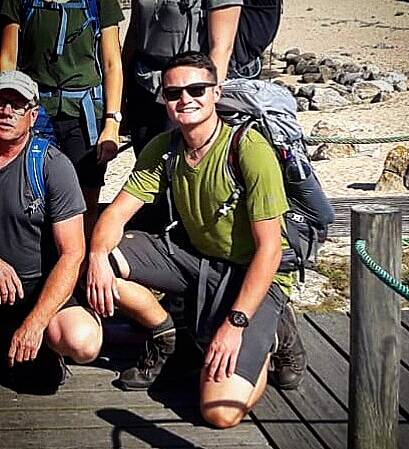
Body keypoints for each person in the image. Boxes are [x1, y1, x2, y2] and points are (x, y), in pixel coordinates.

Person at [87, 52, 305, 428]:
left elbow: (270, 250)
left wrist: (235, 325)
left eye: (197, 89)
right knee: (96, 260)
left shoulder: (248, 150)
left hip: (255, 275)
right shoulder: (165, 148)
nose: (185, 99)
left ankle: (273, 335)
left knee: (220, 412)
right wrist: (95, 256)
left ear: (216, 92)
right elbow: (117, 213)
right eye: (174, 93)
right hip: (196, 260)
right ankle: (168, 334)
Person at [0, 71, 102, 391]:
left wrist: (36, 322)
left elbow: (73, 254)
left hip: (37, 288)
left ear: (32, 116)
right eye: (0, 103)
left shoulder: (51, 164)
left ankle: (45, 341)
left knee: (81, 340)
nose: (6, 111)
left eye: (16, 105)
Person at [0, 0, 124, 237]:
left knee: (86, 199)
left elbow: (112, 64)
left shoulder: (101, 2)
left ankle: (81, 256)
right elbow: (8, 59)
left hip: (85, 115)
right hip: (34, 111)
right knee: (30, 192)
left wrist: (112, 123)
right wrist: (9, 108)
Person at [121, 0, 243, 154]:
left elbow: (221, 49)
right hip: (143, 83)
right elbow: (134, 32)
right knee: (147, 156)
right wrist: (120, 98)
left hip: (187, 89)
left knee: (184, 156)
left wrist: (205, 100)